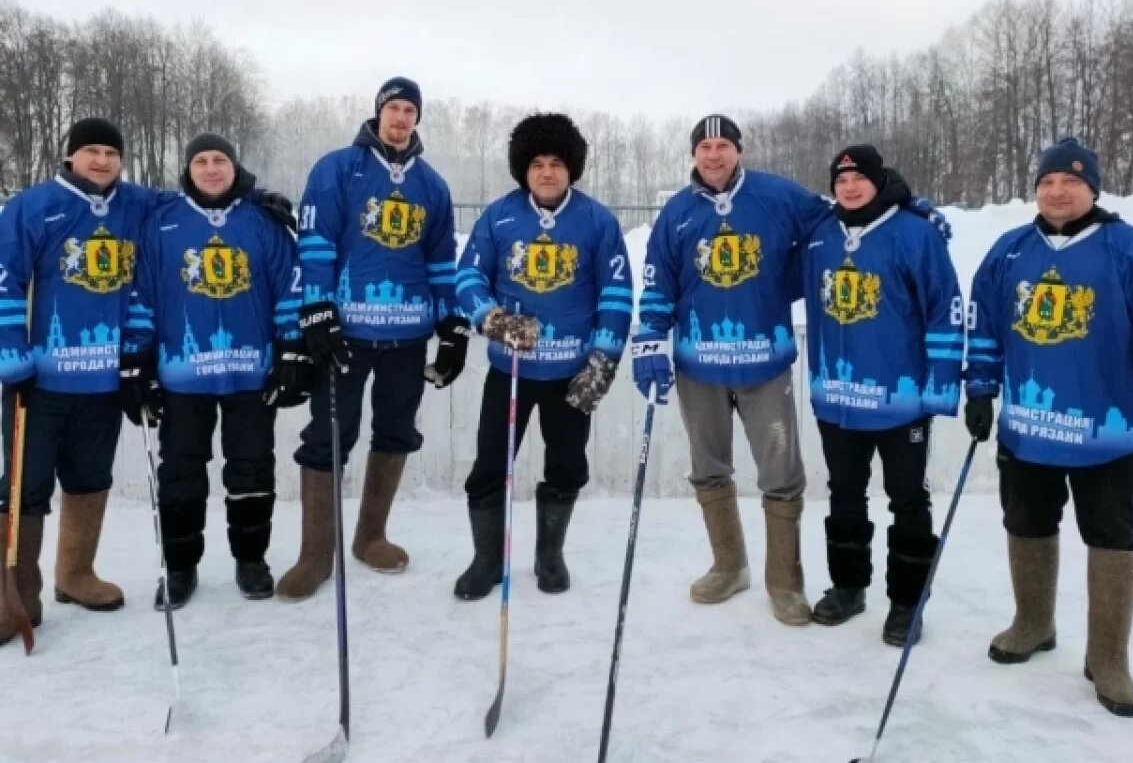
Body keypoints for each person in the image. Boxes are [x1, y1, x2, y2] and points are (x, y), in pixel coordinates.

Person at [964, 136, 1133, 717]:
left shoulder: (1131, 251)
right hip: (1027, 429)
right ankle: (1033, 624)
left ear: (1092, 188)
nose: (1057, 191)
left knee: (1113, 536)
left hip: (1108, 437)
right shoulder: (1009, 252)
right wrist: (979, 390)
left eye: (1070, 182)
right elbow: (986, 329)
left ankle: (1108, 656)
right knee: (1025, 523)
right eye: (1046, 182)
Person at [632, 114, 832, 626]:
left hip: (765, 362)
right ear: (694, 155)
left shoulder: (776, 195)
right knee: (709, 466)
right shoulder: (676, 212)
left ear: (738, 150)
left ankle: (785, 582)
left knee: (781, 472)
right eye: (704, 147)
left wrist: (901, 210)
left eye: (723, 145)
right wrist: (650, 342)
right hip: (700, 366)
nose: (713, 155)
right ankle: (729, 564)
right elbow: (658, 284)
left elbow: (836, 222)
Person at [277, 76, 468, 600]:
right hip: (348, 333)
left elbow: (440, 261)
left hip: (408, 335)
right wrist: (316, 310)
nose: (401, 118)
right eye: (393, 108)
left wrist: (451, 325)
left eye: (410, 110)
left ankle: (370, 535)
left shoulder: (432, 184)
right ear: (378, 113)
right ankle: (316, 555)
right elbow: (316, 243)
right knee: (330, 435)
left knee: (396, 430)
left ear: (417, 119)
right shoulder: (339, 168)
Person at [121, 132, 311, 609]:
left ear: (234, 167)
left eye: (219, 160)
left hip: (250, 372)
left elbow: (290, 290)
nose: (210, 168)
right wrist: (136, 362)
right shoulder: (161, 222)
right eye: (201, 160)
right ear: (188, 169)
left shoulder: (263, 222)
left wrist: (291, 352)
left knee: (251, 468)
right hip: (183, 374)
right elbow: (141, 294)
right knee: (182, 471)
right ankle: (181, 568)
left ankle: (251, 561)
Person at [452, 113, 630, 599]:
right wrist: (491, 319)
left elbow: (616, 295)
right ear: (522, 169)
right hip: (511, 370)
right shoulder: (499, 217)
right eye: (536, 163)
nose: (547, 172)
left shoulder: (597, 221)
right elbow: (467, 278)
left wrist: (603, 360)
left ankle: (549, 555)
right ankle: (486, 560)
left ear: (571, 167)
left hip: (571, 373)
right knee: (490, 464)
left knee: (567, 465)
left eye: (555, 163)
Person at [0, 119, 159, 644]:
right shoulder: (34, 205)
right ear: (70, 156)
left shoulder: (134, 204)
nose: (101, 160)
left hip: (104, 381)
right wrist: (12, 359)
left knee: (90, 477)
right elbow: (5, 278)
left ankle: (76, 574)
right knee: (25, 487)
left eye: (111, 152)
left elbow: (195, 202)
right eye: (91, 150)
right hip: (40, 381)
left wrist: (251, 195)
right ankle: (17, 595)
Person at [801, 144, 962, 645]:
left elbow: (944, 307)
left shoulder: (915, 232)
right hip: (838, 395)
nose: (849, 187)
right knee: (844, 493)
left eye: (859, 178)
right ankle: (849, 587)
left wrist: (940, 383)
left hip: (900, 399)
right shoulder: (820, 235)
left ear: (878, 180)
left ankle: (907, 602)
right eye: (840, 180)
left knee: (907, 498)